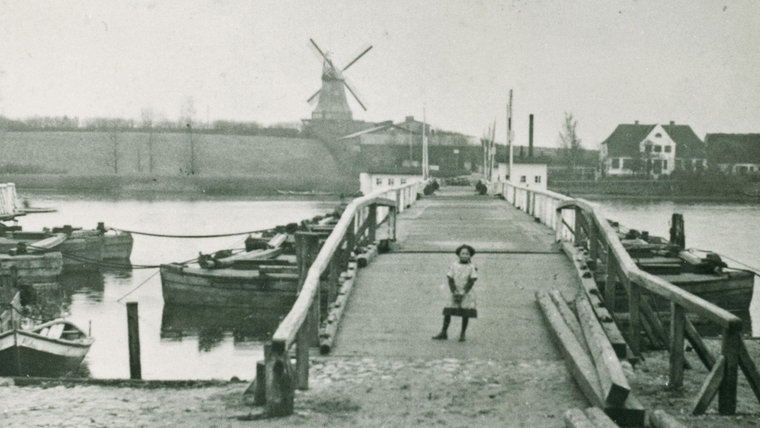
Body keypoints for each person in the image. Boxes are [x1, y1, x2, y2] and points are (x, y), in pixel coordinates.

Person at [433, 244, 478, 342]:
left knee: (465, 313)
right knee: (448, 312)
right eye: (462, 253)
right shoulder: (454, 265)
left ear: (470, 256)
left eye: (467, 254)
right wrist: (454, 290)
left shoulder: (471, 267)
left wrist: (464, 291)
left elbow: (472, 280)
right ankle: (444, 332)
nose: (464, 255)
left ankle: (462, 333)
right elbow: (450, 278)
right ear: (459, 255)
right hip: (454, 291)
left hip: (466, 293)